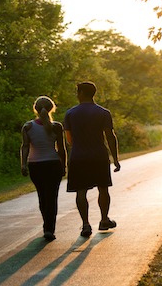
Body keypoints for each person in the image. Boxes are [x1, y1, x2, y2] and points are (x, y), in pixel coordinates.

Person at [64, 81, 121, 237]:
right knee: (103, 188)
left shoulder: (70, 114)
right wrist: (115, 158)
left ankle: (86, 225)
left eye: (77, 92)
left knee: (81, 191)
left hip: (78, 157)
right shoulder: (103, 113)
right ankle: (104, 220)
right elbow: (110, 136)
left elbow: (69, 140)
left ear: (81, 93)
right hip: (99, 156)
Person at [20, 96, 67, 241]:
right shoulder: (56, 126)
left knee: (42, 196)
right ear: (52, 108)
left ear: (35, 109)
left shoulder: (28, 127)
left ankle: (46, 226)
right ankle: (49, 229)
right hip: (53, 164)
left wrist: (23, 164)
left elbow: (25, 146)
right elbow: (61, 149)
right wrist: (64, 165)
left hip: (35, 165)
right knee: (52, 197)